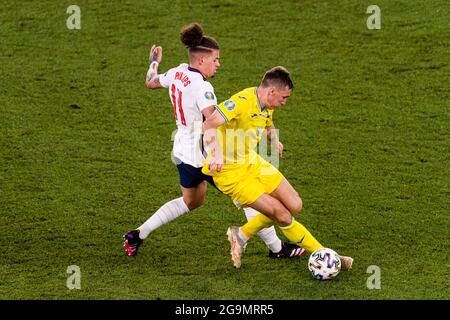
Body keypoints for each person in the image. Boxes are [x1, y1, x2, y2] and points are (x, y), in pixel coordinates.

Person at [123, 23, 305, 259]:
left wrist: (154, 62)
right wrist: (217, 154)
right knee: (250, 198)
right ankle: (277, 249)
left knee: (191, 201)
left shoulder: (176, 72)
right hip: (206, 154)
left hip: (182, 151)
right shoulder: (203, 87)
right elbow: (211, 120)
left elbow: (151, 81)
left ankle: (137, 234)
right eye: (216, 59)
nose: (218, 64)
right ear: (201, 61)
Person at [202, 66, 354, 269]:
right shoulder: (241, 102)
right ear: (271, 91)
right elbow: (209, 124)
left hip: (252, 162)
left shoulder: (266, 105)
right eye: (284, 97)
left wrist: (274, 139)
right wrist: (217, 153)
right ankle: (327, 256)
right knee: (282, 215)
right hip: (230, 173)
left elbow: (266, 121)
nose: (285, 102)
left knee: (294, 204)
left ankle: (241, 234)